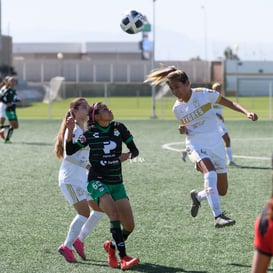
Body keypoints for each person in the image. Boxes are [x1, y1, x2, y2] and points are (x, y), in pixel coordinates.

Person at [144, 65, 258, 228]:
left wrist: (246, 112)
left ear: (187, 83)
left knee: (222, 190)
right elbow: (187, 127)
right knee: (209, 172)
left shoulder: (205, 94)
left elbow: (229, 102)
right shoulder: (177, 108)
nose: (175, 91)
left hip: (216, 144)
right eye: (171, 88)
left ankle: (198, 196)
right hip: (195, 145)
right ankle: (218, 217)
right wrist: (183, 129)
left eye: (177, 87)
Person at [65, 102, 140, 270]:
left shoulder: (119, 127)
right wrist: (70, 131)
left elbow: (135, 150)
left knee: (129, 226)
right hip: (97, 181)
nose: (110, 110)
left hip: (117, 182)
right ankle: (124, 257)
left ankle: (111, 246)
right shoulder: (91, 133)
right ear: (97, 117)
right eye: (105, 109)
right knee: (113, 213)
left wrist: (127, 155)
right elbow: (70, 150)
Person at [55, 97, 104, 263]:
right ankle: (66, 246)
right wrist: (89, 166)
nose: (87, 110)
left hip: (81, 178)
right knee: (84, 213)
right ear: (74, 111)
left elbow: (83, 155)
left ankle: (79, 239)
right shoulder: (73, 129)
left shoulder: (83, 130)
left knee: (99, 210)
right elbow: (70, 155)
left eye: (88, 107)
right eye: (83, 107)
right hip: (70, 179)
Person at [212, 82, 237, 166]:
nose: (218, 90)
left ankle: (230, 161)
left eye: (219, 88)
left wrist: (220, 117)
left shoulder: (221, 98)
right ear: (213, 89)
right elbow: (206, 110)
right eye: (216, 88)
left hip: (219, 123)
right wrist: (216, 115)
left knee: (227, 140)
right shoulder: (209, 98)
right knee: (212, 142)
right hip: (213, 123)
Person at [0, 77, 20, 143]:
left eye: (14, 81)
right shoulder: (7, 90)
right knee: (14, 125)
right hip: (9, 110)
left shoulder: (13, 90)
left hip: (12, 109)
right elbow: (1, 97)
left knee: (15, 126)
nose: (13, 82)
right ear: (8, 82)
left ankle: (3, 131)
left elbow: (14, 99)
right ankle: (7, 138)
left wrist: (18, 100)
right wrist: (7, 103)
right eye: (12, 81)